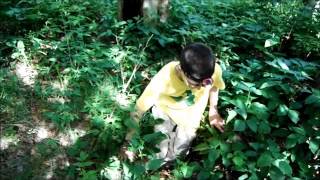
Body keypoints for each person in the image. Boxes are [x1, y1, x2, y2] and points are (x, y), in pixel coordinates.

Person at [123, 42, 225, 162]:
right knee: (160, 152)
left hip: (191, 118)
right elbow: (139, 108)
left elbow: (214, 86)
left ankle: (169, 164)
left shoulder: (212, 71)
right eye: (195, 84)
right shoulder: (166, 76)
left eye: (206, 83)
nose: (200, 88)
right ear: (181, 70)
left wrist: (213, 110)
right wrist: (129, 142)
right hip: (165, 112)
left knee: (178, 155)